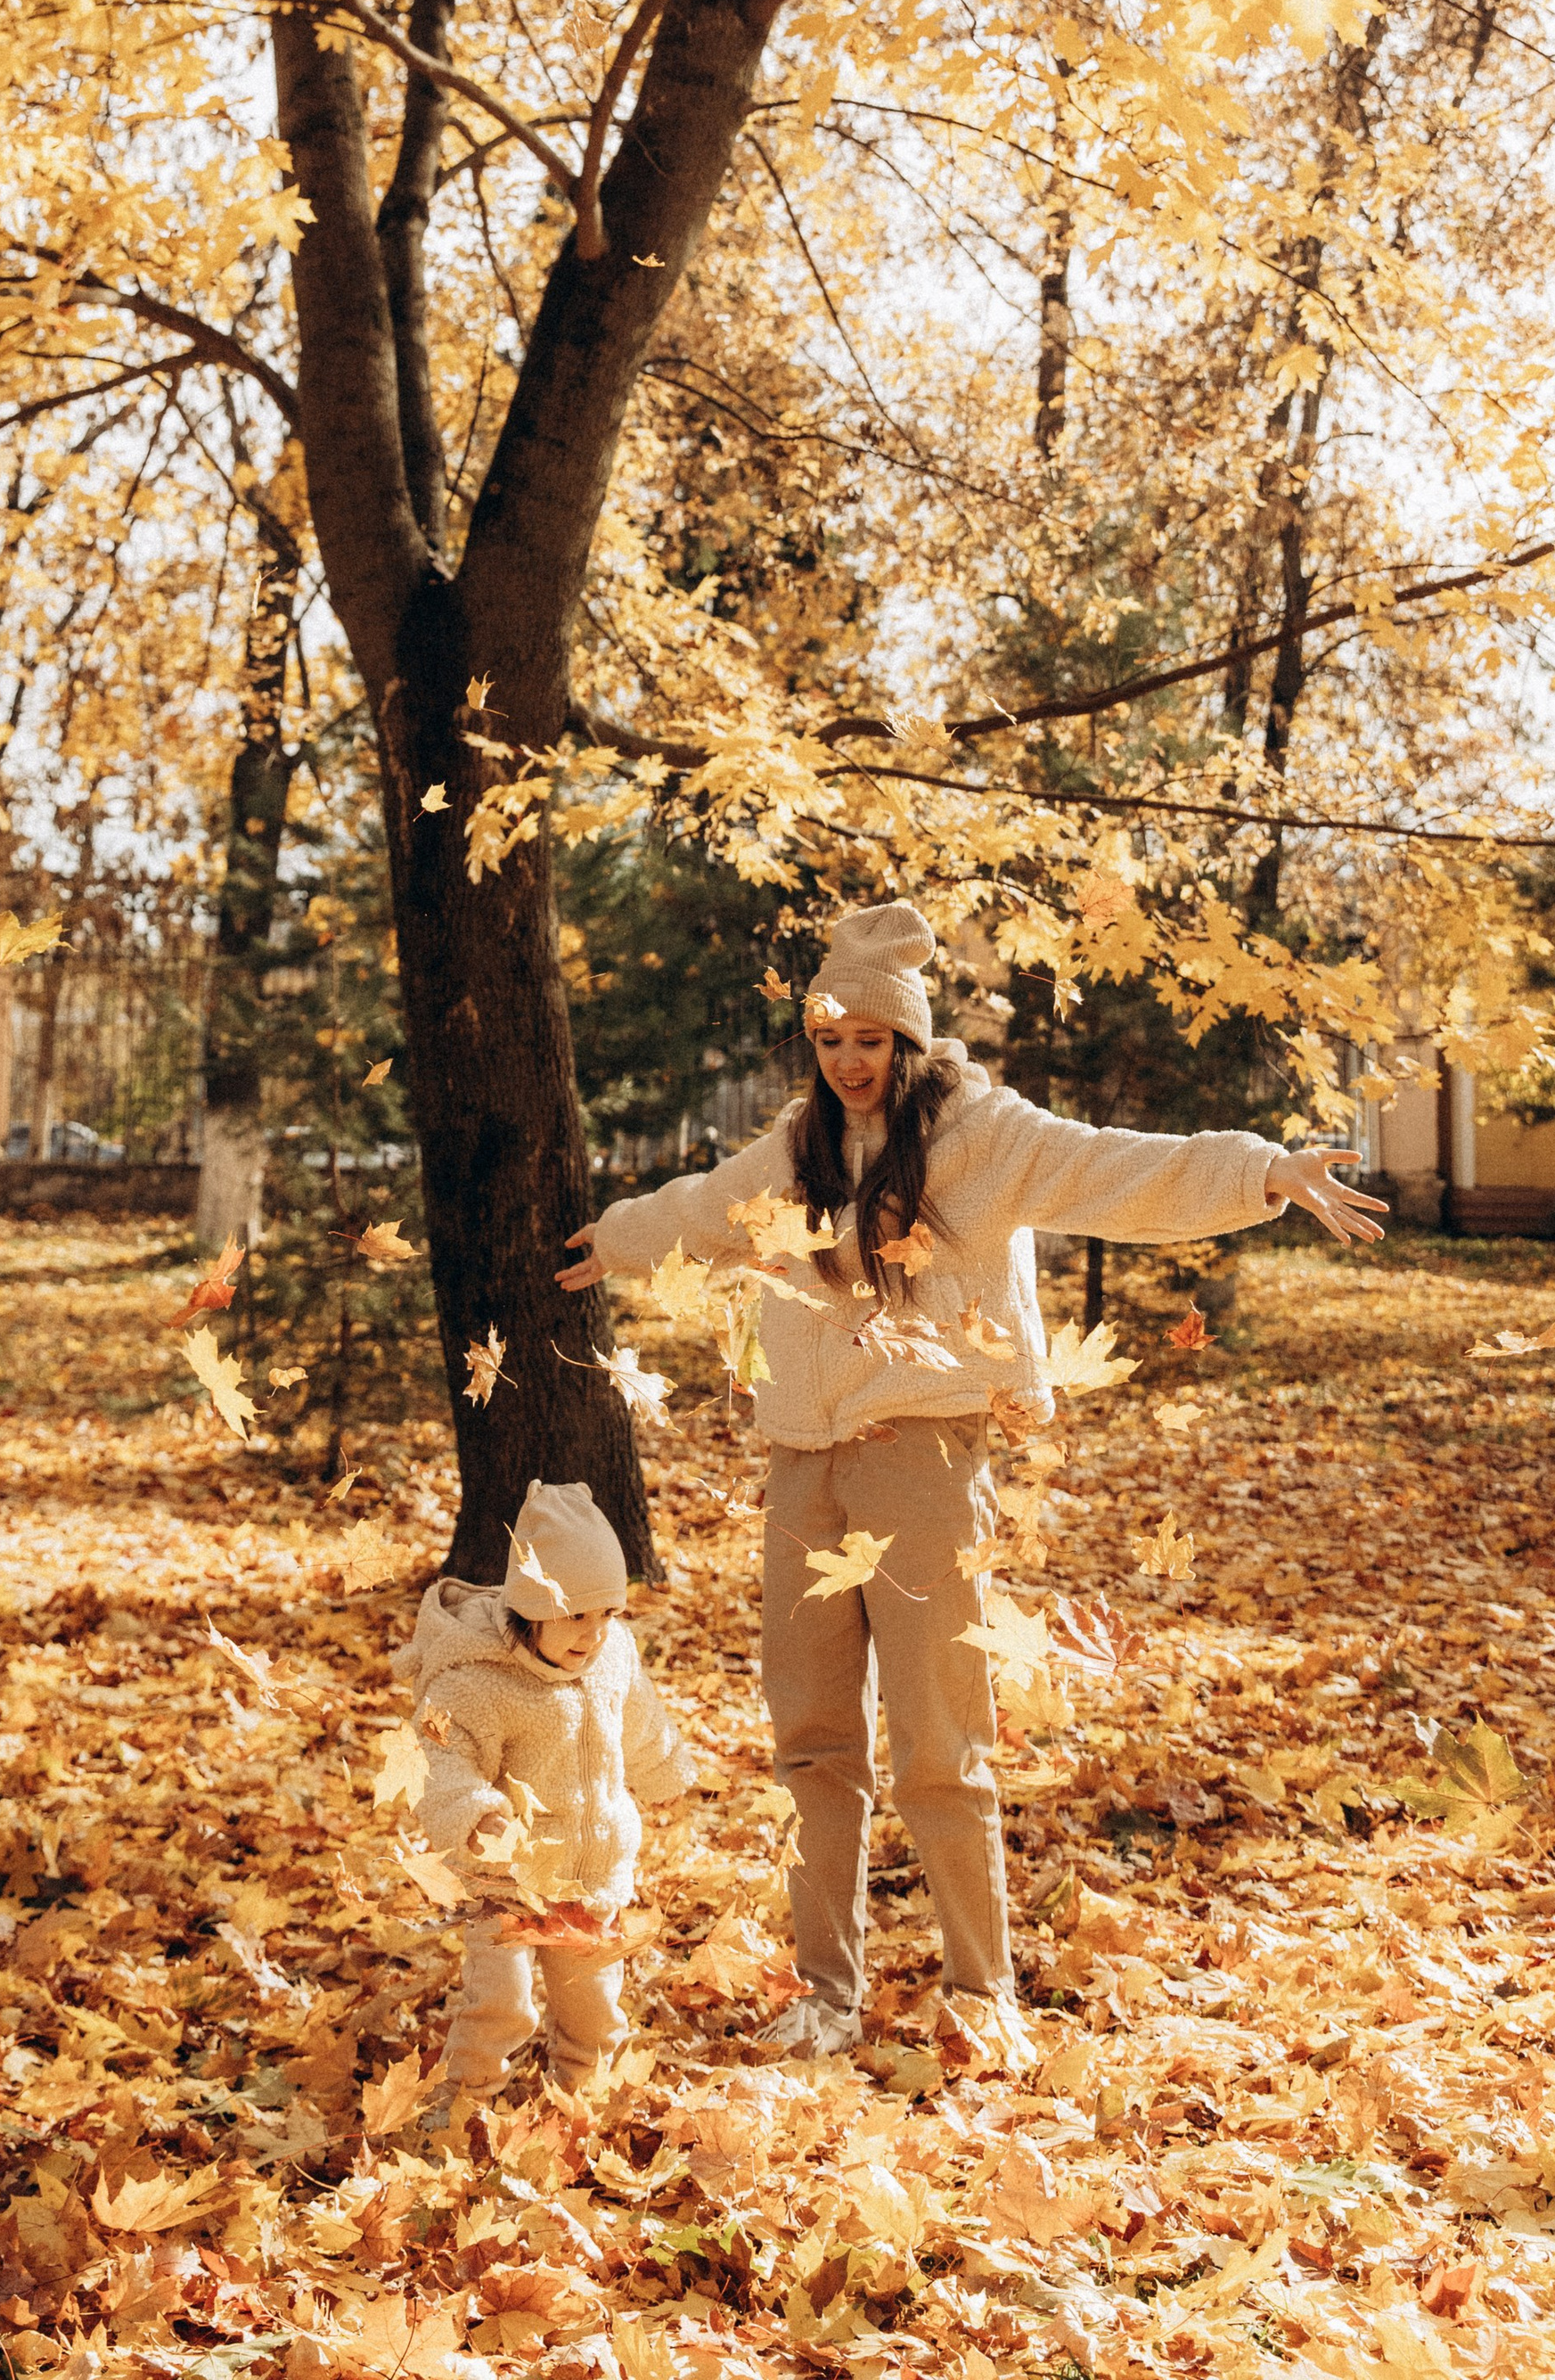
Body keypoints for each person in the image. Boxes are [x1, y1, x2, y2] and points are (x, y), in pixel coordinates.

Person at [561, 899, 1384, 2062]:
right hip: (804, 1467)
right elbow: (701, 1208)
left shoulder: (980, 1138)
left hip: (928, 1463)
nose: (851, 1062)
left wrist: (1262, 1173)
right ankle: (827, 1995)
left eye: (873, 1041)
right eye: (832, 1038)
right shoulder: (794, 1145)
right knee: (811, 1741)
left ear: (911, 1042)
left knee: (941, 1742)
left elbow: (1117, 1170)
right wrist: (612, 1236)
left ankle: (981, 1994)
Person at [405, 1478, 696, 2103]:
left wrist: (665, 1773)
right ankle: (468, 2103)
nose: (593, 1634)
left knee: (593, 2013)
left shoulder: (613, 1654)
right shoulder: (477, 1680)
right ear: (531, 1607)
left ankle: (580, 2102)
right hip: (505, 1880)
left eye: (608, 1613)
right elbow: (442, 1760)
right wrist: (478, 1818)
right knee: (502, 2008)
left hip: (590, 1878)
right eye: (575, 1616)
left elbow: (638, 1721)